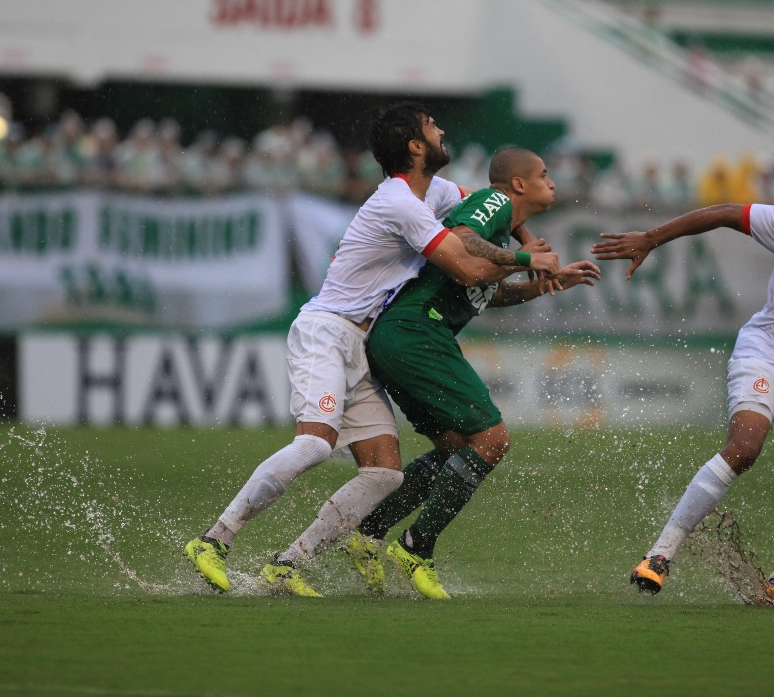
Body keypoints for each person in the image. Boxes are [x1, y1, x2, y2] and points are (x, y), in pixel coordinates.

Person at [183, 103, 559, 595]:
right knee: (315, 443)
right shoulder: (399, 202)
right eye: (432, 126)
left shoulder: (436, 191)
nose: (442, 130)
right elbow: (467, 268)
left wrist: (528, 237)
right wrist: (531, 257)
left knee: (384, 474)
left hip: (364, 341)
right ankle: (213, 540)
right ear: (415, 145)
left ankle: (287, 565)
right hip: (327, 329)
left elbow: (497, 204)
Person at [592, 141, 774, 608]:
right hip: (766, 354)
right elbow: (728, 212)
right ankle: (660, 555)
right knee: (744, 448)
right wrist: (650, 237)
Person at [343, 147, 600, 599]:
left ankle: (368, 534)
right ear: (519, 184)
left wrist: (541, 285)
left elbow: (485, 294)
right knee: (493, 438)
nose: (552, 182)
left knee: (454, 448)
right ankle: (415, 547)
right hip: (417, 331)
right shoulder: (495, 203)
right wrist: (524, 259)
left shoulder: (501, 226)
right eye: (544, 174)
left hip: (406, 336)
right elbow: (458, 234)